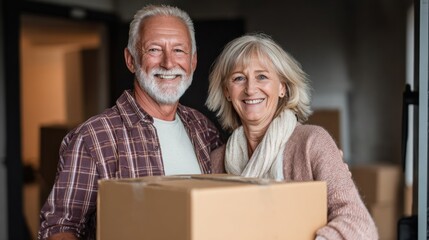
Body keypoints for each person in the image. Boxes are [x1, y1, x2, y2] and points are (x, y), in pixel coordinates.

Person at [38, 5, 223, 240]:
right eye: (154, 50)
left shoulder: (203, 129)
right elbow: (59, 227)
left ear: (193, 61)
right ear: (131, 60)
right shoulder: (93, 137)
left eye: (179, 50)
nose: (168, 63)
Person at [206, 33, 378, 239]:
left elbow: (359, 224)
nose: (250, 89)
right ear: (227, 91)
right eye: (239, 78)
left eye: (262, 76)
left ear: (282, 87)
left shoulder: (312, 143)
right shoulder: (217, 161)